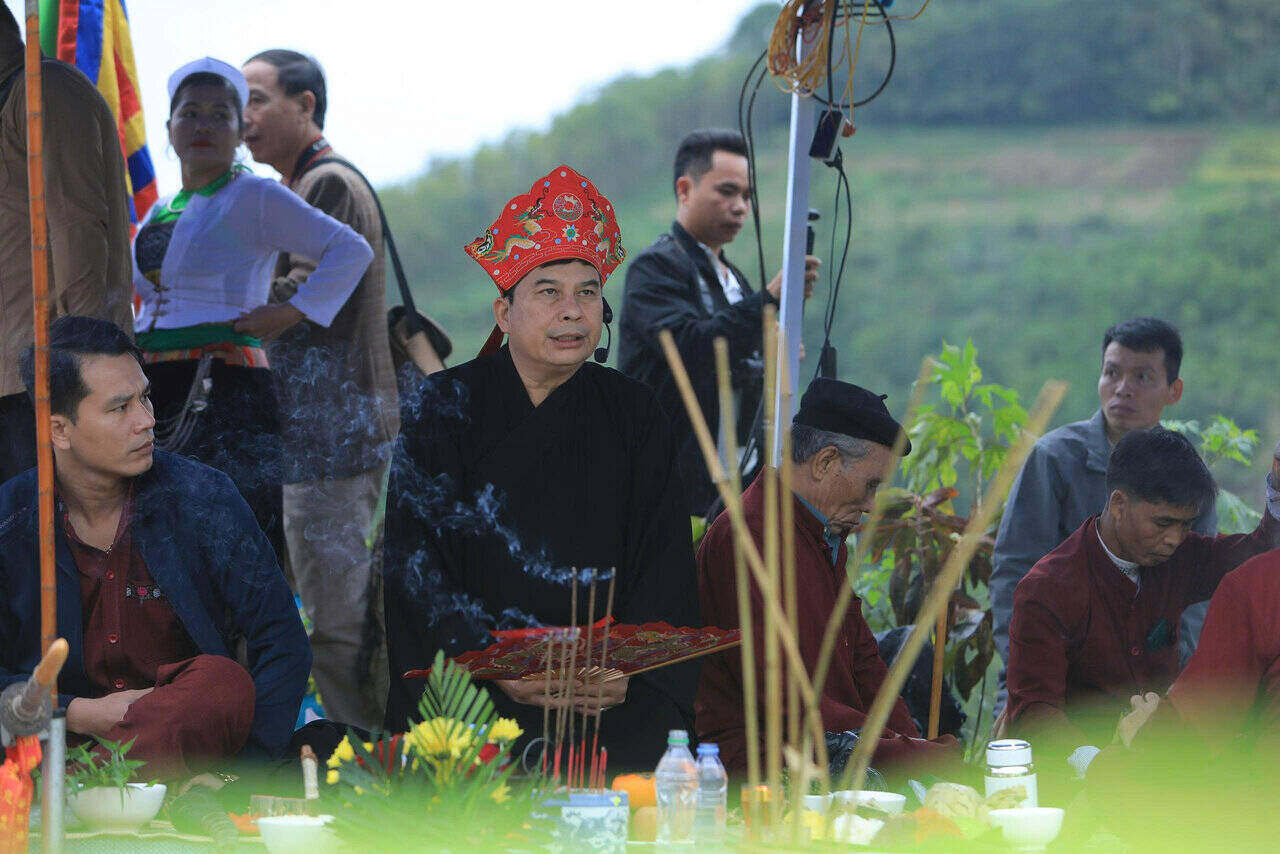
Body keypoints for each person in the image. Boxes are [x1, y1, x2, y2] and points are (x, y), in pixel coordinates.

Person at [383, 165, 699, 769]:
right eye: (548, 292)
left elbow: (664, 563)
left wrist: (625, 671)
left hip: (603, 688)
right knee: (471, 758)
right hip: (473, 676)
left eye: (587, 292)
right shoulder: (443, 405)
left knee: (642, 746)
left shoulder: (635, 411)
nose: (573, 312)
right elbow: (412, 558)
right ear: (504, 314)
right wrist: (492, 663)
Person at [0, 317, 311, 781]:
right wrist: (81, 712)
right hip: (55, 741)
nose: (147, 420)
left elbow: (283, 643)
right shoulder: (10, 518)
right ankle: (88, 784)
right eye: (120, 407)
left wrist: (243, 772)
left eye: (144, 397)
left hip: (186, 749)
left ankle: (89, 790)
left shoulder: (203, 496)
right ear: (59, 429)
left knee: (221, 683)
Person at [131, 58, 372, 561]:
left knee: (231, 544)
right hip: (157, 384)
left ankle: (242, 642)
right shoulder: (160, 209)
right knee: (166, 545)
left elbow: (350, 250)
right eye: (189, 113)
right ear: (169, 129)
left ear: (240, 131)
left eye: (220, 115)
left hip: (223, 385)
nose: (202, 125)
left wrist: (292, 311)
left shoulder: (254, 195)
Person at [239, 48, 402, 732]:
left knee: (336, 622)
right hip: (327, 434)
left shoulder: (325, 186)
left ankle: (361, 764)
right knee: (334, 612)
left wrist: (211, 289)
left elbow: (303, 298)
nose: (240, 118)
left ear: (306, 106)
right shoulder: (304, 186)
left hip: (330, 437)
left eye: (254, 98)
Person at [696, 378, 960, 779]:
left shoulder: (823, 532)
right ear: (825, 462)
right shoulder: (750, 538)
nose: (873, 506)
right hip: (762, 771)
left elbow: (864, 662)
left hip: (831, 751)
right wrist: (906, 754)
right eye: (871, 485)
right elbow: (786, 701)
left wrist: (914, 746)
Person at [1005, 426, 1280, 777]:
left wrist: (1276, 487)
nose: (1174, 539)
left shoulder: (1180, 557)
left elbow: (1255, 557)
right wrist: (1104, 768)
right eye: (1163, 523)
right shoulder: (1046, 590)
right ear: (1119, 504)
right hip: (1076, 780)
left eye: (1185, 525)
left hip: (1158, 766)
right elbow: (1035, 714)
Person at [991, 318, 1216, 678]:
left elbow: (1199, 591)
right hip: (1055, 669)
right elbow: (1015, 571)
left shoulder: (1187, 474)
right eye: (1112, 373)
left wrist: (1178, 678)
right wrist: (1028, 666)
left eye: (1142, 377)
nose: (1122, 389)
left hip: (1153, 676)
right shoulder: (1054, 458)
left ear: (1174, 391)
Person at [619, 129, 819, 518]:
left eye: (747, 196)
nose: (740, 207)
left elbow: (745, 362)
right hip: (667, 487)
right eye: (727, 192)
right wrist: (769, 300)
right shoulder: (656, 268)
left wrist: (776, 352)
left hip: (732, 486)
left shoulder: (734, 280)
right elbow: (692, 347)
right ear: (684, 190)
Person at [0, 6, 133, 484]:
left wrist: (85, 377)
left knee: (57, 551)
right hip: (15, 387)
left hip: (45, 388)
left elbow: (79, 235)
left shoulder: (44, 92)